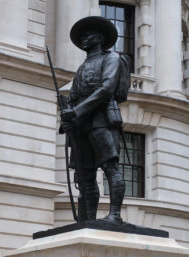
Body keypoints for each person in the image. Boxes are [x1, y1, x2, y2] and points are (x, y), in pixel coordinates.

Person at [60, 16, 125, 223]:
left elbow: (106, 89)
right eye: (83, 36)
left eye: (90, 34)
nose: (85, 38)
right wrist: (67, 113)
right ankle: (87, 219)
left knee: (110, 168)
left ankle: (115, 214)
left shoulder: (111, 58)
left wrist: (76, 111)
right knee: (85, 176)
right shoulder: (81, 67)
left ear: (101, 37)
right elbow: (73, 95)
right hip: (80, 125)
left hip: (101, 118)